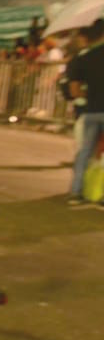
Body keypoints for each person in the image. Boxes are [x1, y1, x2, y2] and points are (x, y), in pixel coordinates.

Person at [66, 18, 104, 208]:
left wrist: (88, 94)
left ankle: (76, 193)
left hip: (90, 111)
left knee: (85, 152)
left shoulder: (82, 58)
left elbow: (74, 91)